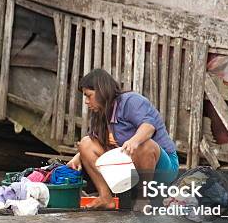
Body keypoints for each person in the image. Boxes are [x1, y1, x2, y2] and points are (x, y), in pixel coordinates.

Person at [67, 69, 179, 209]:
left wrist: (134, 140)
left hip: (163, 169)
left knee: (145, 145)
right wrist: (80, 155)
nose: (86, 102)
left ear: (102, 91)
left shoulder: (131, 101)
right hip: (131, 166)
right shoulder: (101, 112)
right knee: (85, 143)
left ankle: (142, 199)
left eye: (89, 96)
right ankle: (106, 198)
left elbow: (149, 127)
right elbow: (96, 141)